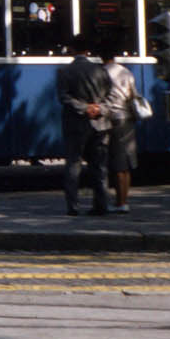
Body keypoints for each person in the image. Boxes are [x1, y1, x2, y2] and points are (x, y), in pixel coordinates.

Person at [57, 38, 113, 216]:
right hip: (100, 123)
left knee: (74, 164)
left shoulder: (65, 71)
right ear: (88, 50)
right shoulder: (101, 70)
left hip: (75, 123)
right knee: (99, 166)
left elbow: (64, 97)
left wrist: (84, 108)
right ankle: (102, 204)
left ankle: (73, 206)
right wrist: (99, 108)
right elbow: (111, 96)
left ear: (72, 49)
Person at [99, 45, 139, 213]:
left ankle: (120, 203)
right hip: (126, 119)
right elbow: (133, 96)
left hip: (111, 118)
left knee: (115, 164)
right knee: (125, 163)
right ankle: (124, 200)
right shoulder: (125, 72)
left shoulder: (101, 73)